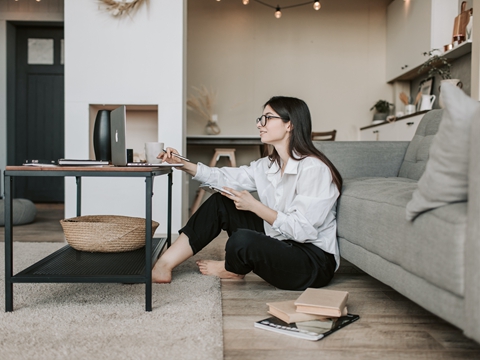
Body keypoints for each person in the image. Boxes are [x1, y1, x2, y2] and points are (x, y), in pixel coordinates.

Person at [152, 96, 343, 291]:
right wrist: (183, 165)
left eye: (267, 118)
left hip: (312, 260)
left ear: (290, 125)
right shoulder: (268, 165)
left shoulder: (313, 169)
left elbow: (303, 231)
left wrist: (255, 206)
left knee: (242, 241)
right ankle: (164, 264)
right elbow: (223, 177)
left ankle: (232, 268)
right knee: (221, 202)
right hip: (281, 240)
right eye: (260, 119)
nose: (260, 124)